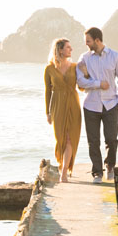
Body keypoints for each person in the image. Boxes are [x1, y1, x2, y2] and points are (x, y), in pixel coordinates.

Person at [76, 27, 118, 182]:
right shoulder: (84, 58)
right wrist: (98, 84)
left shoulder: (115, 56)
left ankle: (110, 166)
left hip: (111, 104)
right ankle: (97, 172)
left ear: (97, 40)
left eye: (88, 41)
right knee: (93, 141)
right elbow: (80, 81)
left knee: (111, 139)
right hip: (90, 105)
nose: (86, 44)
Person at [44, 38, 82, 183]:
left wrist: (87, 74)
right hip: (58, 105)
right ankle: (62, 165)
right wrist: (47, 112)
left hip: (73, 104)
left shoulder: (75, 66)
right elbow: (48, 91)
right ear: (60, 50)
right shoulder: (49, 69)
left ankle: (64, 172)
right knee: (60, 138)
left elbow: (83, 86)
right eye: (68, 47)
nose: (71, 50)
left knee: (70, 137)